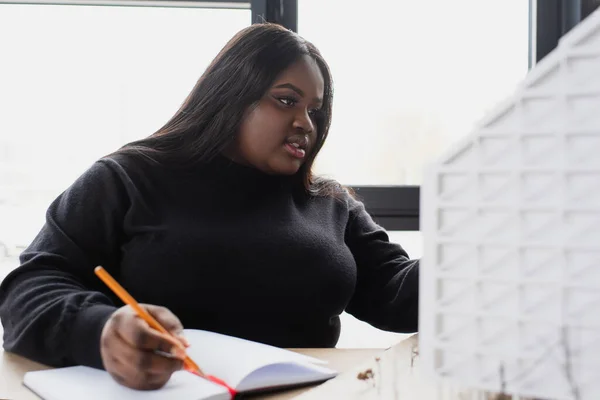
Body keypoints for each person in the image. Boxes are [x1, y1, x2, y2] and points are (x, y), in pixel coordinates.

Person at [0, 23, 419, 391]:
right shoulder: (127, 178)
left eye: (315, 109)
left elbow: (397, 294)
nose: (307, 124)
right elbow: (30, 287)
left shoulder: (329, 202)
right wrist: (101, 332)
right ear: (233, 96)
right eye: (287, 100)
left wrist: (476, 246)